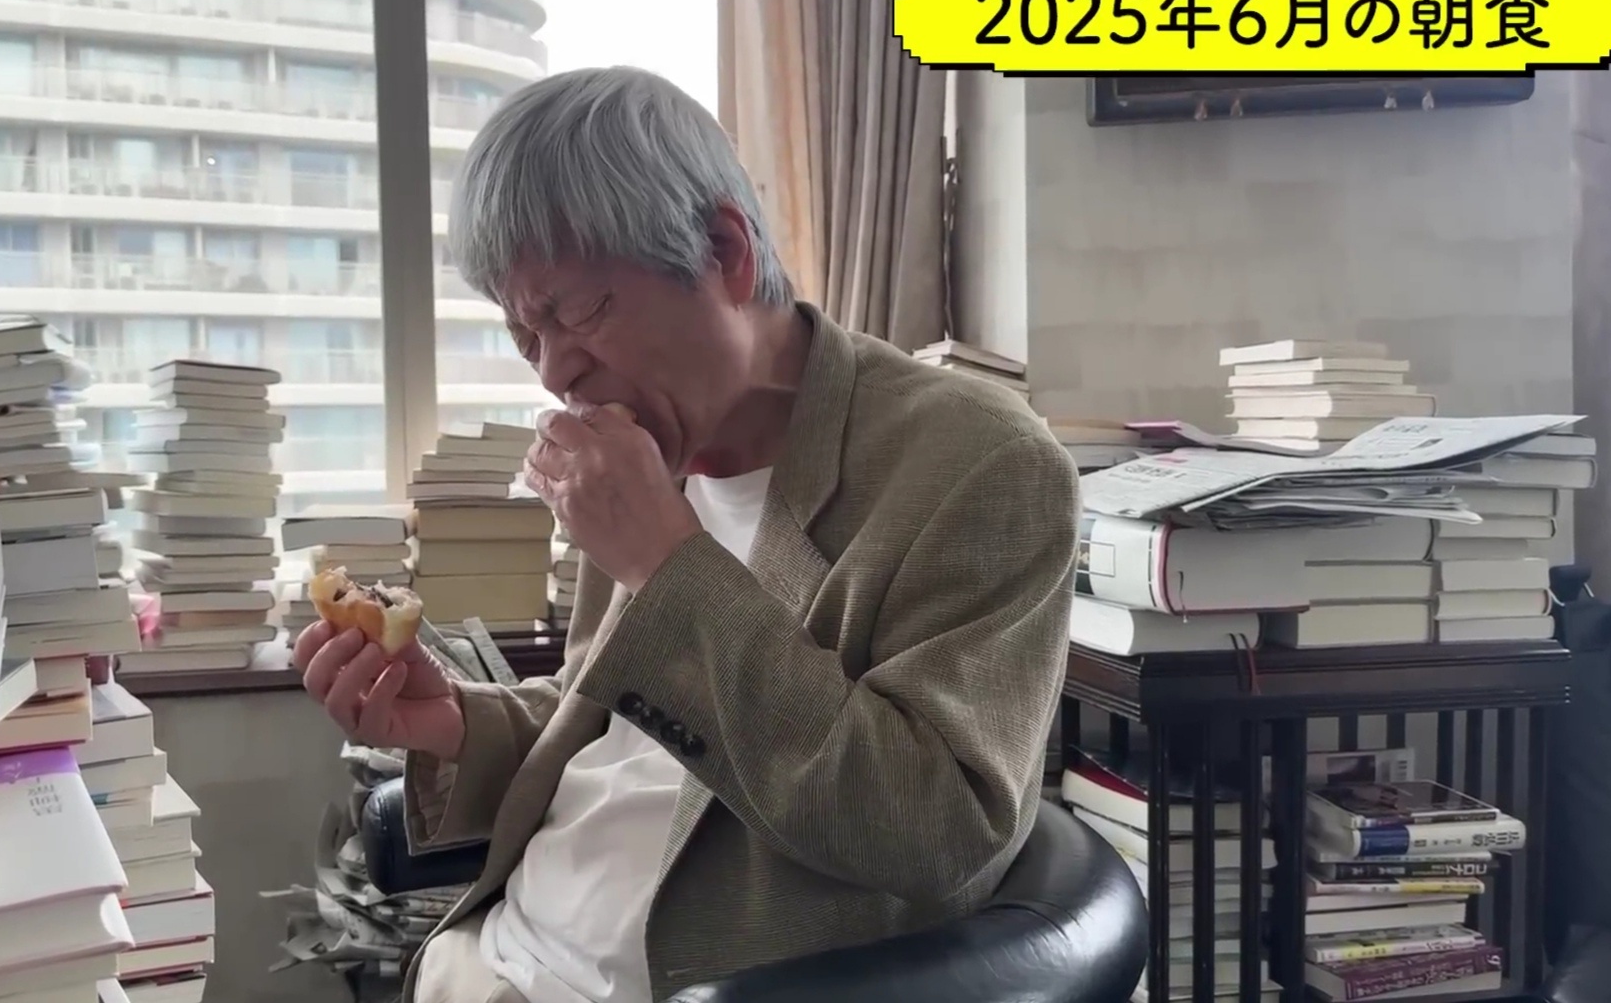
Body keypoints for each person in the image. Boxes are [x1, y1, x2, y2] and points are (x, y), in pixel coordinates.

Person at [291, 66, 1079, 1003]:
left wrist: (668, 564)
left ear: (725, 252)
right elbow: (615, 727)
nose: (555, 373)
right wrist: (456, 723)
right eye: (525, 334)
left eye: (580, 311)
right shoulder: (651, 454)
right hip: (489, 957)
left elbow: (939, 831)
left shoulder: (980, 464)